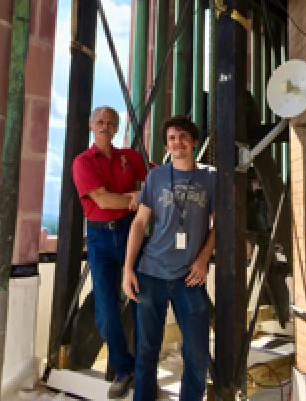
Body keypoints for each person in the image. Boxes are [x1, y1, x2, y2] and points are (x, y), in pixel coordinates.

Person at [123, 115, 216, 401]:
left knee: (197, 351)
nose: (178, 143)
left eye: (184, 137)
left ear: (194, 141)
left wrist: (203, 260)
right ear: (167, 144)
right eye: (173, 138)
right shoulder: (156, 176)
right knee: (147, 350)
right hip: (151, 273)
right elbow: (139, 223)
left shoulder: (211, 177)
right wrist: (128, 269)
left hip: (189, 275)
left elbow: (220, 225)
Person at [72, 106, 147, 399]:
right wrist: (133, 200)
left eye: (110, 123)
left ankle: (143, 367)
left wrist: (140, 196)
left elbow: (156, 180)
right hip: (100, 238)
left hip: (132, 232)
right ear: (91, 125)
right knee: (105, 311)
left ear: (117, 128)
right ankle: (123, 367)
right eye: (100, 121)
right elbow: (101, 201)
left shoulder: (131, 157)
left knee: (143, 299)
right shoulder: (82, 162)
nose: (105, 126)